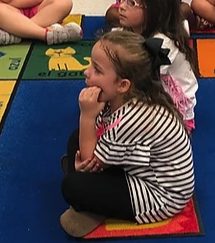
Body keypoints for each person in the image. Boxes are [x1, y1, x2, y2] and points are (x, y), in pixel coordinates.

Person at [59, 31, 195, 237]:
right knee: (75, 138)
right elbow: (101, 130)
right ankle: (86, 181)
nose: (87, 73)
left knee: (72, 186)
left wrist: (87, 115)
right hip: (141, 169)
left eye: (96, 70)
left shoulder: (132, 117)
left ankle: (94, 208)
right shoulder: (126, 98)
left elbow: (90, 155)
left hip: (160, 196)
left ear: (123, 85)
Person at [115, 0, 198, 132]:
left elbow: (141, 77)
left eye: (131, 3)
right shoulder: (135, 29)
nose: (122, 6)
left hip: (175, 114)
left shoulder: (163, 43)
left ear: (154, 11)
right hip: (154, 94)